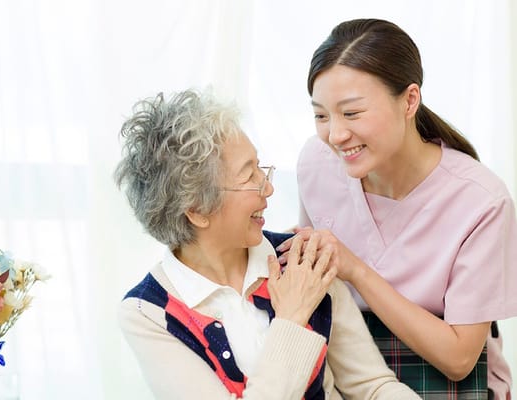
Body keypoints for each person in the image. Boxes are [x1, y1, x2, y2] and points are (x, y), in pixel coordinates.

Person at [115, 89, 420, 399]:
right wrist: (292, 316)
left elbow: (373, 388)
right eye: (250, 177)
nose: (269, 188)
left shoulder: (303, 259)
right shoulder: (147, 312)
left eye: (260, 168)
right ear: (197, 210)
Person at [284, 18, 517, 399]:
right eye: (321, 116)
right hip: (347, 365)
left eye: (352, 113)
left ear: (409, 100)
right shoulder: (316, 162)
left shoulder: (481, 201)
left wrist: (356, 270)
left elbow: (459, 358)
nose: (336, 135)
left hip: (448, 379)